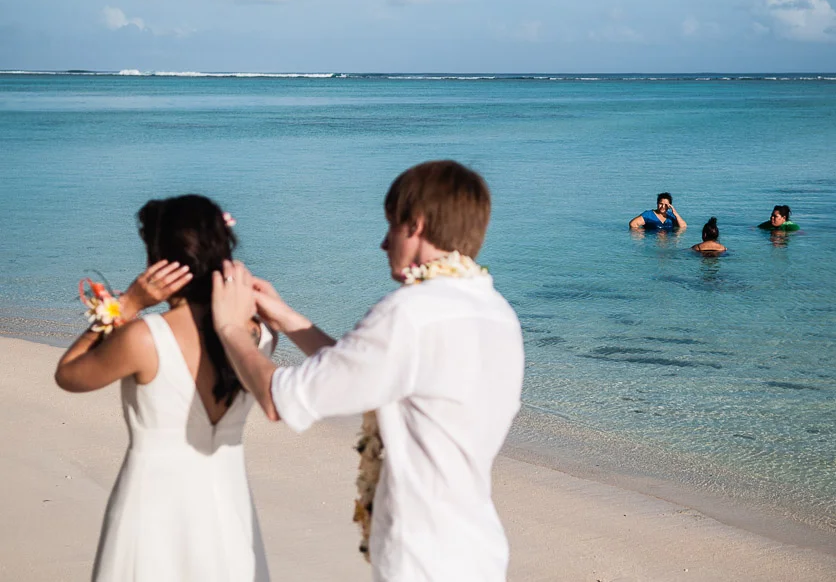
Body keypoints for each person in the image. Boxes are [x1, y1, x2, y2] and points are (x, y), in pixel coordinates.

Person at [211, 160, 525, 582]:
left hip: (422, 558)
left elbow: (278, 398)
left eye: (391, 226)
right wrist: (287, 318)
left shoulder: (410, 313)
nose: (382, 243)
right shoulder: (497, 312)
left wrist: (228, 326)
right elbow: (369, 371)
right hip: (477, 550)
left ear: (415, 225)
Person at [55, 195, 273, 582]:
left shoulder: (144, 339)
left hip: (151, 511)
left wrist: (128, 304)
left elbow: (69, 374)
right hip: (230, 507)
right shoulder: (259, 335)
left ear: (160, 263)